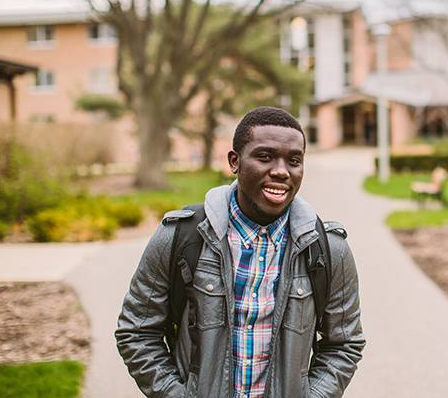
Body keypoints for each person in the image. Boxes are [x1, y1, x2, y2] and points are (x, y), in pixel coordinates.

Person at [116, 106, 365, 398]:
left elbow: (344, 343)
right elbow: (137, 332)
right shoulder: (180, 237)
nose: (281, 171)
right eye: (265, 156)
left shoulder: (328, 249)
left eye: (294, 160)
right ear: (235, 161)